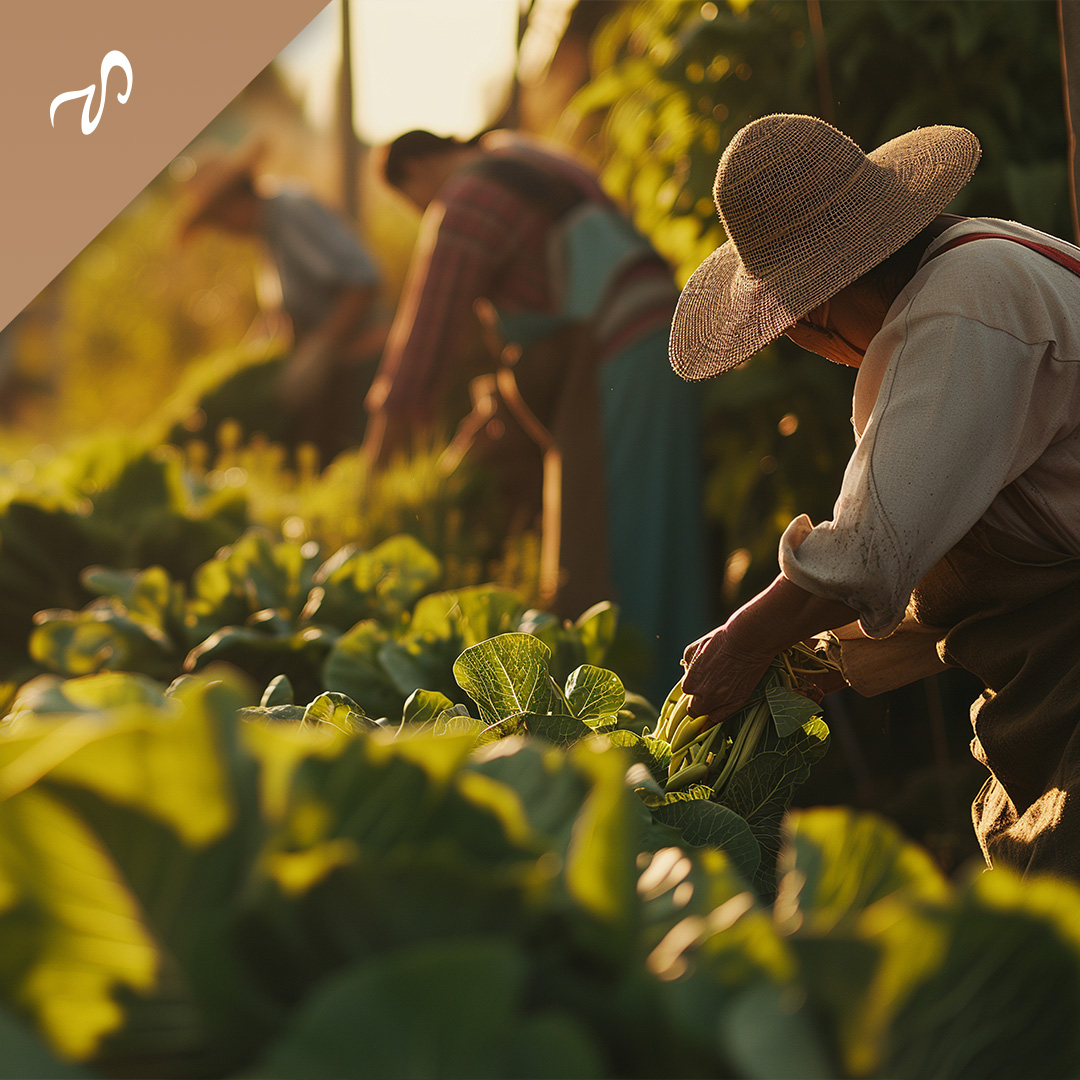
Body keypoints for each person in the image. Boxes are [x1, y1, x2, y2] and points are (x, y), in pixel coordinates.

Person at [671, 111, 1080, 881]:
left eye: (803, 329)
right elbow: (969, 569)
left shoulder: (963, 308)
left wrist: (747, 637)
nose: (825, 353)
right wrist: (823, 656)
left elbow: (869, 553)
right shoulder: (972, 275)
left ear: (832, 296)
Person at [364, 129, 710, 691]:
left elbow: (420, 351)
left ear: (414, 172)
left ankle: (642, 712)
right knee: (666, 529)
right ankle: (694, 690)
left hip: (616, 351)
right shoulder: (524, 154)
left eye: (412, 203)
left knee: (614, 542)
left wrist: (371, 479)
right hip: (668, 330)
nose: (421, 211)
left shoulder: (464, 200)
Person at [180, 141, 387, 459]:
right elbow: (283, 311)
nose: (225, 233)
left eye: (221, 222)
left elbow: (362, 281)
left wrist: (321, 348)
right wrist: (248, 357)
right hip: (336, 374)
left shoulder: (292, 212)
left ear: (237, 202)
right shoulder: (269, 231)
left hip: (364, 365)